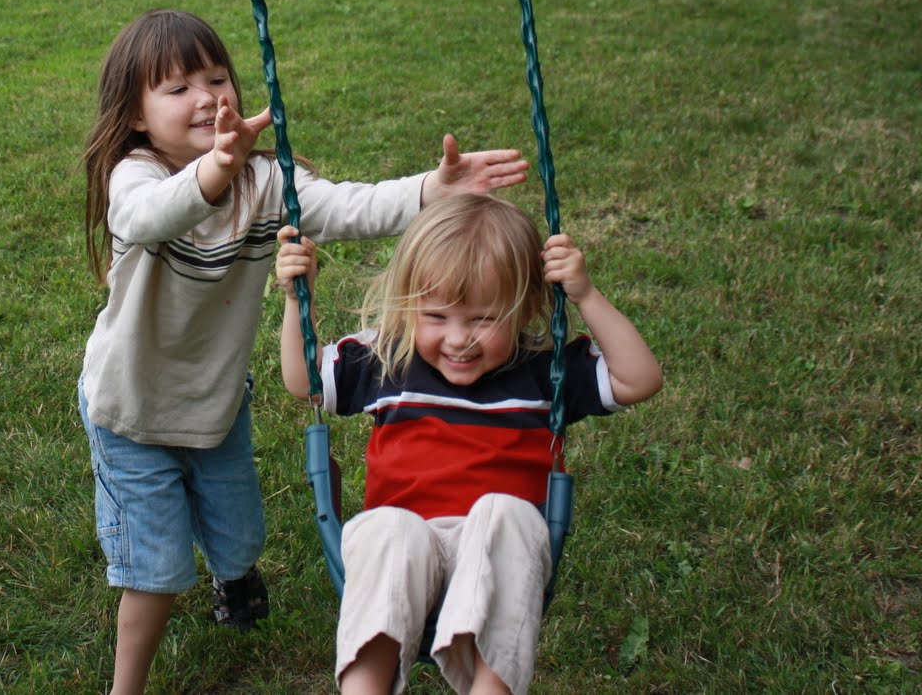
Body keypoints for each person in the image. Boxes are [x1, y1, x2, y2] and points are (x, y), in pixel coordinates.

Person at [79, 8, 531, 695]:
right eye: (177, 88)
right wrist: (215, 168)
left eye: (216, 78)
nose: (205, 97)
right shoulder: (134, 176)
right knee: (155, 570)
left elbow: (351, 207)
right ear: (136, 115)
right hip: (129, 405)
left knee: (239, 534)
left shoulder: (264, 181)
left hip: (215, 400)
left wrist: (431, 191)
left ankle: (233, 576)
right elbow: (145, 218)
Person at [274, 194, 663, 695]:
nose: (459, 339)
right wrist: (296, 301)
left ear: (526, 309)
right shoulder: (388, 360)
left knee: (507, 514)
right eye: (436, 316)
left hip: (492, 556)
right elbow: (304, 381)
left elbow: (639, 379)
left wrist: (586, 294)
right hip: (405, 551)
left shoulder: (543, 370)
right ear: (409, 305)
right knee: (386, 527)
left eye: (483, 319)